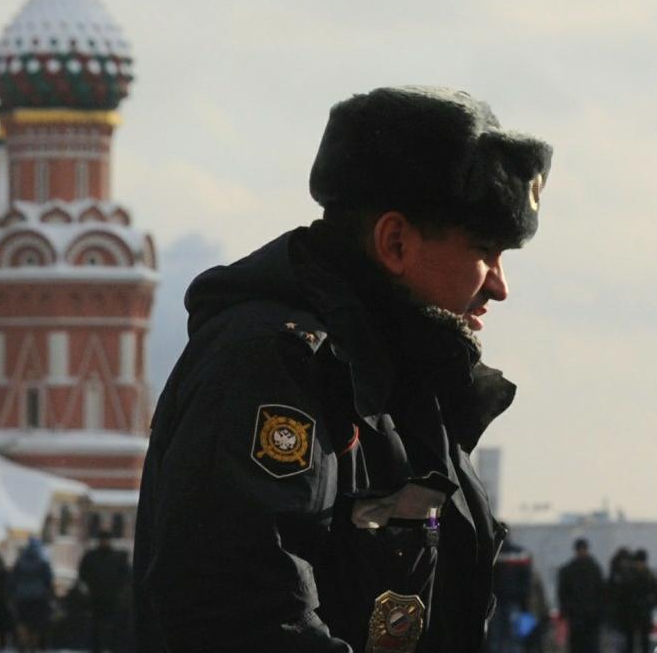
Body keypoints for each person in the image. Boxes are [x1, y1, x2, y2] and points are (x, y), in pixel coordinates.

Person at [133, 86, 554, 652]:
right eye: (485, 250)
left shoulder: (402, 387)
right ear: (395, 241)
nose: (500, 287)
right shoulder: (274, 365)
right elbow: (240, 615)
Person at [77, 534, 127, 653]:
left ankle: (109, 648)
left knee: (110, 626)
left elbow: (125, 576)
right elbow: (83, 573)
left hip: (109, 597)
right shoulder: (113, 557)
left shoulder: (115, 557)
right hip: (98, 597)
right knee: (98, 627)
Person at [558, 538, 605, 653]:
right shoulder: (595, 569)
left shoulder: (568, 570)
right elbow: (602, 593)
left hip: (576, 616)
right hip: (590, 616)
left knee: (577, 646)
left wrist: (565, 611)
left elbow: (563, 594)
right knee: (591, 646)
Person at [9, 538, 54, 653]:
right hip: (38, 598)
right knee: (36, 624)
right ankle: (33, 645)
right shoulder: (43, 562)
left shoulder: (20, 562)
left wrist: (12, 595)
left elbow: (13, 580)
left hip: (21, 597)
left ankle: (23, 642)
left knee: (22, 622)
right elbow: (48, 580)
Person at [620, 549, 657, 653]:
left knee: (639, 642)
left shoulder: (631, 575)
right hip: (637, 612)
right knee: (633, 642)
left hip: (638, 613)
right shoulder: (648, 575)